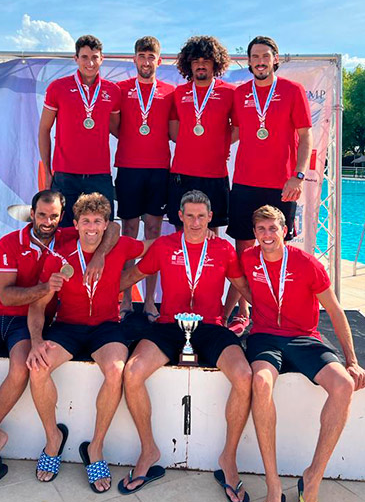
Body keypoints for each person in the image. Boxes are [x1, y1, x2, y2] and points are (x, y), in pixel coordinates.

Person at [0, 190, 118, 499]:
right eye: (41, 215)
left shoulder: (68, 236)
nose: (47, 222)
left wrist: (101, 254)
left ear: (62, 219)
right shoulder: (10, 243)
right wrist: (43, 287)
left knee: (23, 368)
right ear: (31, 214)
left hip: (28, 323)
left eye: (53, 216)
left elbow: (112, 227)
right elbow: (8, 296)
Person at [119, 190, 253, 502]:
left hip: (209, 328)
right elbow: (133, 275)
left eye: (201, 217)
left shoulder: (223, 249)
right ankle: (148, 450)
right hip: (168, 326)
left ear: (210, 218)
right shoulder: (165, 245)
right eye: (189, 216)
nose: (195, 222)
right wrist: (93, 288)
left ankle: (228, 460)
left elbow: (244, 286)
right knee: (132, 372)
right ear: (180, 216)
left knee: (245, 376)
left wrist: (270, 310)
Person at [242, 205, 365, 502]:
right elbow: (238, 285)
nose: (267, 235)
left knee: (343, 385)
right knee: (260, 383)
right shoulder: (248, 259)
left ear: (285, 231)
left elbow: (336, 311)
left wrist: (351, 360)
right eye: (261, 229)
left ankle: (313, 476)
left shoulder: (307, 263)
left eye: (272, 228)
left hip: (303, 338)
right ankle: (272, 484)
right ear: (254, 233)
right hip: (264, 337)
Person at [26, 193, 152, 493]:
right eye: (86, 222)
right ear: (76, 223)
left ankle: (95, 448)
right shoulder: (60, 255)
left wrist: (199, 235)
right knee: (38, 368)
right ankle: (53, 439)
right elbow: (36, 304)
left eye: (98, 221)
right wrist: (35, 341)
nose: (92, 228)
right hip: (67, 327)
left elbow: (154, 247)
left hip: (106, 327)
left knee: (115, 370)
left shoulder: (120, 245)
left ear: (107, 224)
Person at [226, 35, 313, 333]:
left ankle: (278, 310)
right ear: (248, 61)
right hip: (245, 182)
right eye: (255, 57)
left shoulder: (293, 90)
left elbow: (305, 136)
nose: (260, 61)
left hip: (281, 184)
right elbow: (235, 131)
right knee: (243, 248)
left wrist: (298, 175)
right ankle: (243, 311)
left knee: (277, 249)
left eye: (265, 56)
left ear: (275, 59)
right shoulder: (239, 94)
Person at [114, 36, 176, 321]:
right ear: (134, 59)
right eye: (142, 56)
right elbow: (116, 127)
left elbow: (175, 131)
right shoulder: (120, 90)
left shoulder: (170, 92)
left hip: (159, 170)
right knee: (128, 234)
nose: (147, 61)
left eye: (152, 56)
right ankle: (126, 299)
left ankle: (151, 301)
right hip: (128, 169)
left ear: (159, 61)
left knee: (154, 234)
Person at [39, 35, 121, 227]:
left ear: (102, 58)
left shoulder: (113, 91)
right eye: (84, 57)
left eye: (94, 57)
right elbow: (44, 129)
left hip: (99, 176)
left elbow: (118, 130)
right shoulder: (58, 88)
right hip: (65, 176)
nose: (90, 63)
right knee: (63, 231)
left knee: (103, 229)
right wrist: (47, 171)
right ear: (75, 59)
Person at [167, 36, 234, 233]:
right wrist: (193, 144)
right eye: (196, 61)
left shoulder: (229, 92)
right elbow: (174, 130)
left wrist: (219, 144)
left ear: (216, 62)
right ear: (189, 64)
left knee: (211, 230)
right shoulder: (178, 93)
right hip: (182, 172)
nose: (201, 65)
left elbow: (237, 129)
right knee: (181, 228)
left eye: (206, 60)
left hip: (214, 173)